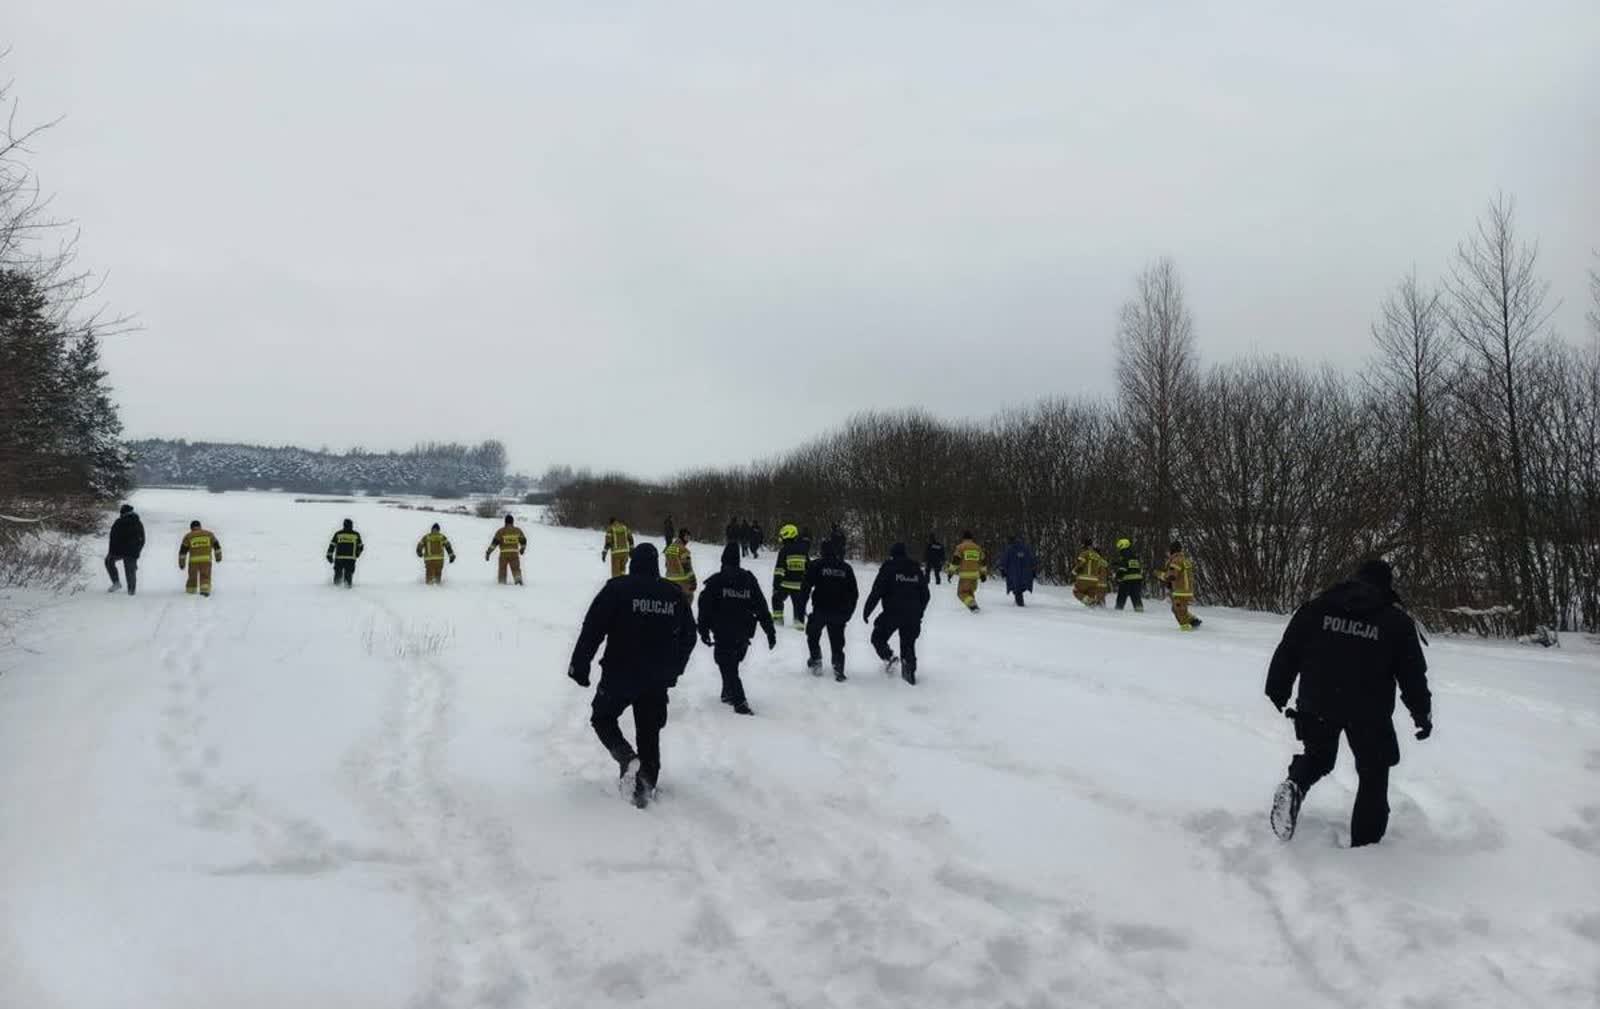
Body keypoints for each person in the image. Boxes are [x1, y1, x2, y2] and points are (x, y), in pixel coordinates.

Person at [1264, 559, 1431, 846]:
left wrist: (1277, 688)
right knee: (1373, 773)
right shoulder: (1396, 622)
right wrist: (1421, 713)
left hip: (1317, 701)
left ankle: (1295, 784)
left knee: (1317, 757)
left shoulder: (1316, 608)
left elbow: (1289, 650)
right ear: (1386, 586)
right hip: (1369, 712)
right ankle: (1365, 849)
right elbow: (1412, 674)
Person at [567, 543, 697, 808]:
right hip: (656, 678)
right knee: (649, 732)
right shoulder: (673, 594)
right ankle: (644, 788)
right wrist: (675, 668)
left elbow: (593, 628)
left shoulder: (617, 588)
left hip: (620, 672)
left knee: (602, 717)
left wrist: (580, 665)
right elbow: (689, 636)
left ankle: (626, 757)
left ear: (632, 563)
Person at [697, 542, 777, 714]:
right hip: (743, 633)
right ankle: (728, 693)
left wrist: (703, 630)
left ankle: (739, 701)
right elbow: (761, 606)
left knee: (727, 664)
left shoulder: (716, 581)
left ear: (723, 560)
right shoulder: (748, 579)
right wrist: (770, 631)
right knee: (730, 663)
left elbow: (704, 607)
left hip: (723, 632)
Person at [863, 543, 931, 684]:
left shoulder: (889, 567)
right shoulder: (915, 568)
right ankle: (909, 674)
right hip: (912, 615)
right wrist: (919, 612)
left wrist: (867, 610)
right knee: (908, 645)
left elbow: (877, 591)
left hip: (892, 613)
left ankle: (889, 658)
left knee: (878, 638)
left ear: (892, 554)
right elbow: (925, 594)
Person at [800, 536, 859, 681]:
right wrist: (849, 612)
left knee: (812, 634)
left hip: (820, 609)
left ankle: (816, 660)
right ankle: (839, 668)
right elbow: (854, 593)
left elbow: (805, 587)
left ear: (822, 551)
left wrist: (801, 607)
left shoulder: (816, 565)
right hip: (839, 612)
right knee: (837, 641)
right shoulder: (845, 567)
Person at [770, 523, 811, 628]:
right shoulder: (804, 550)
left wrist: (776, 585)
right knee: (799, 604)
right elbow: (809, 568)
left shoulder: (784, 550)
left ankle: (778, 619)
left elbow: (779, 570)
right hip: (800, 586)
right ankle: (799, 622)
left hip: (785, 584)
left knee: (776, 599)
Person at [1156, 539, 1202, 630]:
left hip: (1181, 590)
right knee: (1177, 609)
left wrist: (1159, 574)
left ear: (1172, 550)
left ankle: (1186, 629)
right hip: (1187, 589)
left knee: (1179, 610)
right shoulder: (1185, 559)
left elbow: (1171, 576)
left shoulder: (1176, 561)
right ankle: (1193, 620)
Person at [105, 503, 145, 596]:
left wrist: (111, 552)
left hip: (119, 551)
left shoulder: (119, 522)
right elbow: (142, 539)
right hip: (131, 551)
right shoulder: (138, 522)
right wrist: (138, 552)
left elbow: (113, 538)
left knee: (109, 561)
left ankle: (117, 582)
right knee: (130, 570)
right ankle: (131, 590)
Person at [178, 520, 221, 597]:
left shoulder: (188, 536)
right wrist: (218, 557)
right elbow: (217, 546)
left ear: (191, 528)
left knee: (192, 576)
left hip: (193, 562)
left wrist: (182, 563)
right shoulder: (209, 534)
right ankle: (205, 590)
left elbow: (183, 552)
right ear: (200, 526)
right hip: (206, 560)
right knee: (205, 575)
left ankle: (191, 591)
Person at [947, 531, 986, 612]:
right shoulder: (978, 548)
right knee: (970, 593)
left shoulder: (961, 547)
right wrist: (983, 574)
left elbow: (956, 561)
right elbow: (983, 562)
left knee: (962, 593)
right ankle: (974, 609)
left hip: (965, 576)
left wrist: (950, 572)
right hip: (975, 576)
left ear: (963, 538)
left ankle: (973, 606)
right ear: (972, 538)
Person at [486, 514, 527, 585]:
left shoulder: (501, 531)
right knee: (516, 568)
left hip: (503, 554)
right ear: (512, 522)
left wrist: (488, 552)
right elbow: (523, 540)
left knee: (502, 569)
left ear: (505, 522)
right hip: (514, 554)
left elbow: (494, 543)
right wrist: (522, 549)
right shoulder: (517, 530)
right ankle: (518, 580)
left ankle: (502, 582)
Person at [326, 518, 365, 588]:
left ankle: (335, 590)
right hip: (351, 559)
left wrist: (329, 555)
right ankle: (347, 588)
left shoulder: (338, 534)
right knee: (348, 576)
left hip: (339, 559)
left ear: (343, 525)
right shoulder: (356, 535)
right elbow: (361, 546)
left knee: (338, 576)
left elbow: (332, 545)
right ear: (352, 525)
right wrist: (357, 554)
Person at [1000, 534, 1037, 607]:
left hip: (1013, 573)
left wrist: (1003, 570)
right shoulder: (1026, 548)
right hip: (1025, 573)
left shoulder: (1009, 549)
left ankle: (1020, 606)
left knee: (1016, 588)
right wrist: (1033, 571)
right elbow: (1032, 560)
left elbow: (1004, 561)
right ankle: (1019, 602)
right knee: (1020, 587)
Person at [1072, 539, 1110, 607]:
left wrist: (1074, 571)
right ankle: (1099, 608)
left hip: (1084, 577)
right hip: (1096, 580)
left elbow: (1081, 563)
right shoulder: (1098, 557)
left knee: (1076, 591)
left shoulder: (1085, 553)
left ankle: (1090, 602)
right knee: (1092, 595)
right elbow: (1105, 570)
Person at [664, 528, 697, 602]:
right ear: (682, 536)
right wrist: (693, 581)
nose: (688, 540)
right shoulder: (683, 550)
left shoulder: (670, 548)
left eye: (689, 538)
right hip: (682, 582)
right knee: (688, 599)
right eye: (687, 537)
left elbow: (666, 565)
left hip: (669, 581)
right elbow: (687, 567)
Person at [1113, 538, 1145, 612]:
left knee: (1121, 596)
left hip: (1127, 580)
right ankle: (1139, 610)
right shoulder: (1134, 556)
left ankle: (1118, 610)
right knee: (1136, 596)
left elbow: (1123, 568)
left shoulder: (1124, 554)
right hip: (1137, 580)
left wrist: (1118, 577)